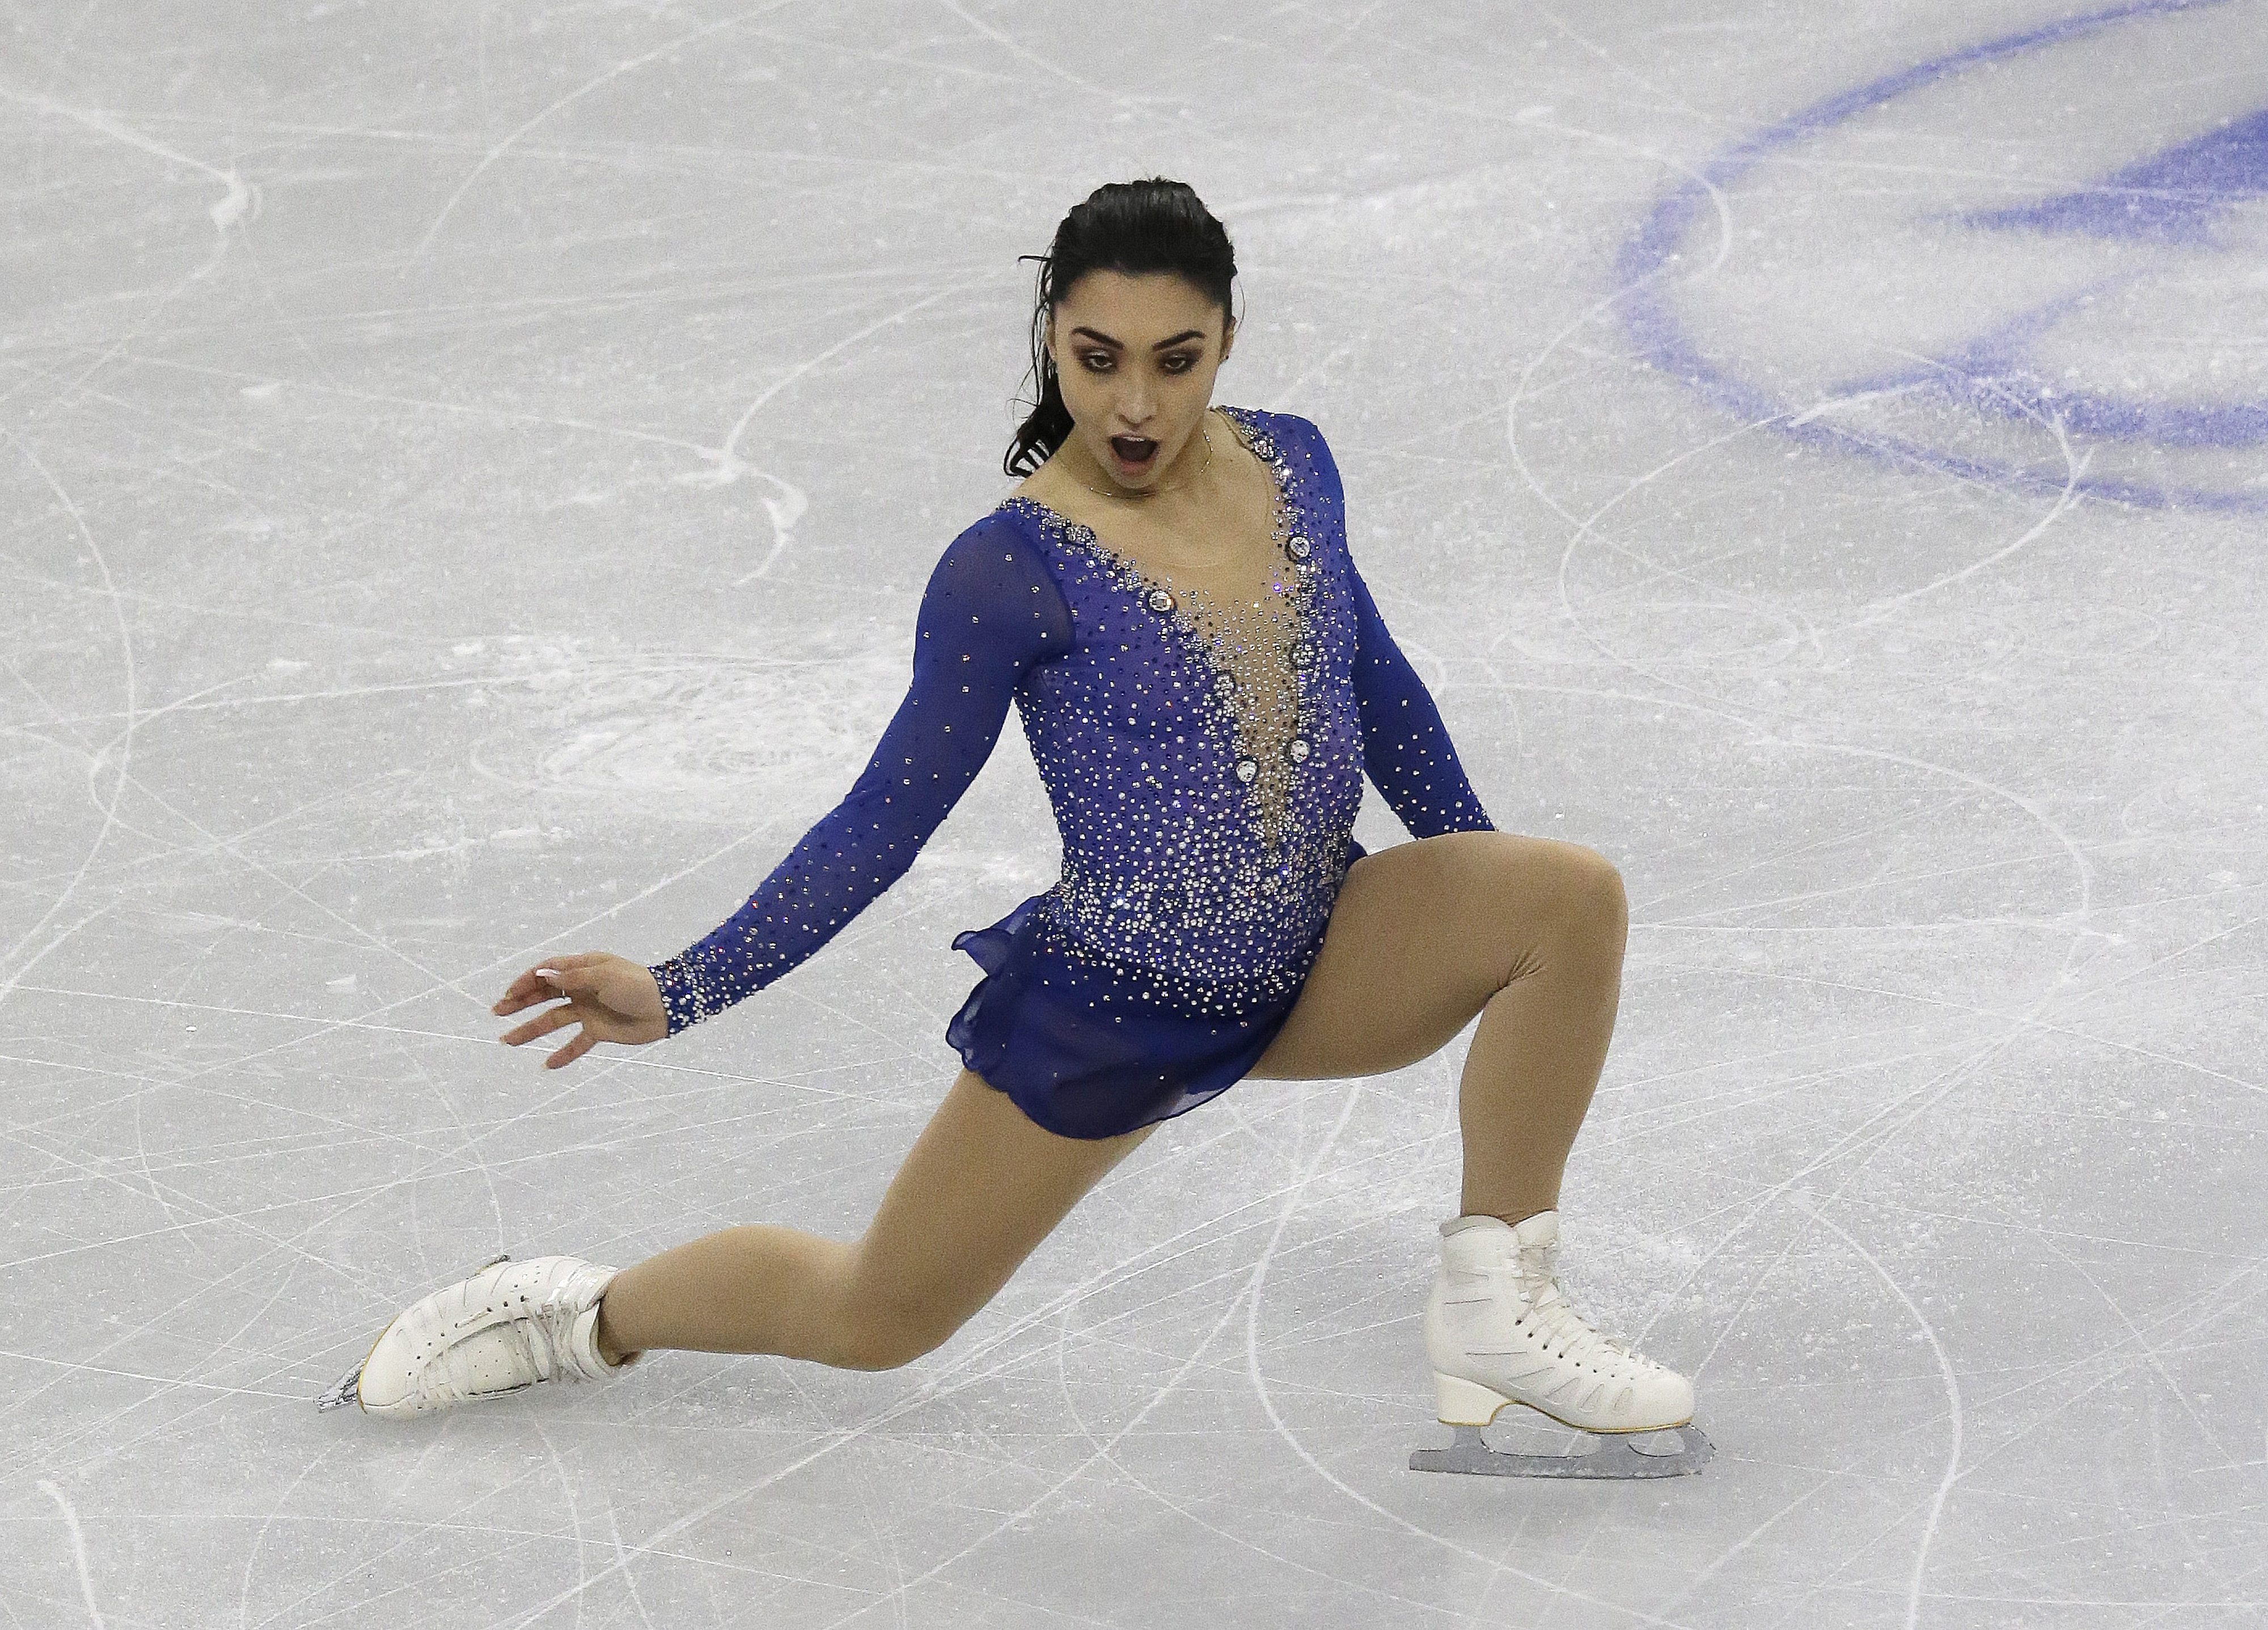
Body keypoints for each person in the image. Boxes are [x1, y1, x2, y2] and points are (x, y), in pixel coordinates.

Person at [319, 177, 1708, 1476]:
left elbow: (1375, 685)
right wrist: (681, 985)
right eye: (1096, 357)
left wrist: (1471, 875)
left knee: (1564, 897)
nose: (1133, 401)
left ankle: (1494, 1306)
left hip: (1318, 948)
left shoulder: (1294, 468)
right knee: (874, 1314)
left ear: (1229, 340)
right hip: (1116, 1009)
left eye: (1177, 358)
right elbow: (881, 822)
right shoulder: (1009, 569)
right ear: (1051, 338)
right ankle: (577, 1312)